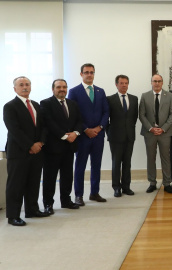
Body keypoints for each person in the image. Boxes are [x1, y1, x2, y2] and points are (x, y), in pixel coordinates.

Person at [3, 76, 49, 226]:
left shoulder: (35, 104)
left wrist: (40, 143)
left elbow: (42, 126)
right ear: (14, 88)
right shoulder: (10, 106)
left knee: (33, 182)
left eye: (27, 84)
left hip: (37, 151)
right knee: (16, 185)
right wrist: (30, 145)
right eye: (21, 85)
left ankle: (32, 210)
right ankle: (13, 215)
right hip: (19, 152)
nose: (25, 87)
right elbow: (14, 130)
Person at [68, 63, 110, 206]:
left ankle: (94, 193)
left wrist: (99, 128)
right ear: (81, 74)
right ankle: (78, 195)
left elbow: (106, 112)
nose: (89, 75)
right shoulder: (74, 92)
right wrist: (86, 129)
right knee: (80, 166)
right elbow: (73, 114)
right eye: (86, 72)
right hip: (82, 136)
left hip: (98, 135)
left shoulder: (100, 91)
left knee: (96, 165)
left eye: (92, 72)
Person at [41, 79, 83, 214]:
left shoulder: (72, 104)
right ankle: (48, 204)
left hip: (69, 147)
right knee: (50, 177)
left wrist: (75, 133)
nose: (62, 89)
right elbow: (49, 123)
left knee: (67, 176)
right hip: (53, 148)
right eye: (59, 87)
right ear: (53, 89)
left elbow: (79, 121)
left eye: (64, 87)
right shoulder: (46, 103)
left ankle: (66, 201)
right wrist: (65, 136)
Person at [139, 74, 172, 194]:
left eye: (159, 81)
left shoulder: (169, 96)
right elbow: (142, 115)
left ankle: (167, 183)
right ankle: (152, 183)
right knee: (151, 158)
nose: (157, 83)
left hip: (165, 133)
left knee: (166, 158)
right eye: (154, 81)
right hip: (150, 133)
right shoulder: (145, 96)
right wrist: (150, 128)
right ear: (151, 82)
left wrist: (163, 128)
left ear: (162, 82)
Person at [106, 75, 138, 197]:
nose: (124, 85)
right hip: (115, 136)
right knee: (116, 163)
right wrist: (109, 131)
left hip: (129, 136)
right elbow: (106, 118)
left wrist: (128, 129)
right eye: (121, 83)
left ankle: (126, 187)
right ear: (116, 84)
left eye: (126, 83)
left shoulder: (134, 99)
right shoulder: (110, 99)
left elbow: (134, 117)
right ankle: (116, 187)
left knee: (127, 162)